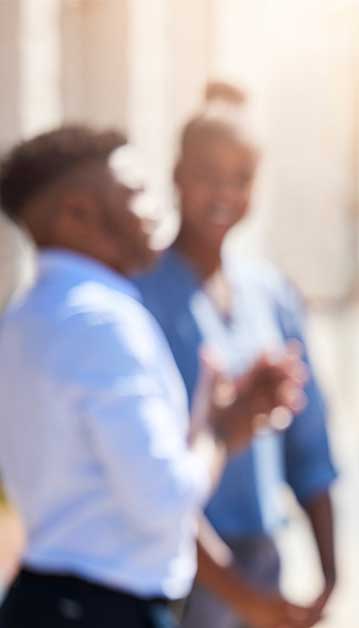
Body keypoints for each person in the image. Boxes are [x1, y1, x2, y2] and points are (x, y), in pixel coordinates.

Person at [0, 125, 305, 628]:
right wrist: (221, 429)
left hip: (45, 597)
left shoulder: (26, 314)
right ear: (77, 213)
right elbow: (164, 499)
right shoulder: (103, 320)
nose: (155, 210)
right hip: (105, 610)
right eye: (135, 194)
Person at [134, 83, 338, 628]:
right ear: (176, 175)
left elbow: (310, 442)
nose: (224, 192)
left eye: (241, 178)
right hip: (177, 562)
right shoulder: (140, 295)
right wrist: (238, 594)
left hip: (261, 556)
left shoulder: (270, 294)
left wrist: (330, 574)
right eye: (207, 175)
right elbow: (144, 468)